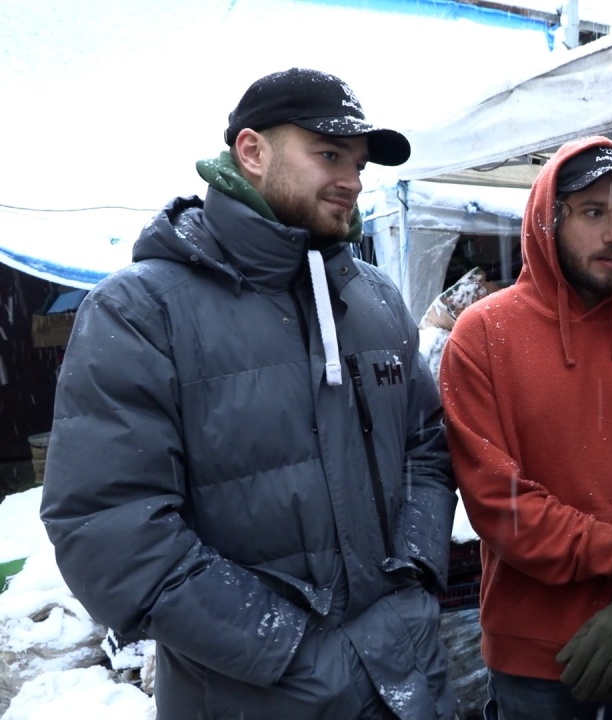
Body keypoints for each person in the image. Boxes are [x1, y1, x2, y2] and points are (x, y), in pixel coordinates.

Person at [40, 68, 459, 719]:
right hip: (250, 695)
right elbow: (108, 528)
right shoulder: (142, 309)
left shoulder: (374, 298)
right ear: (252, 152)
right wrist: (296, 653)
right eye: (328, 155)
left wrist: (415, 578)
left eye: (357, 162)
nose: (351, 178)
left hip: (404, 678)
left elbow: (427, 448)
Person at [439, 136, 612, 720]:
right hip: (536, 651)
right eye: (594, 212)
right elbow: (498, 504)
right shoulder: (483, 335)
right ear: (548, 219)